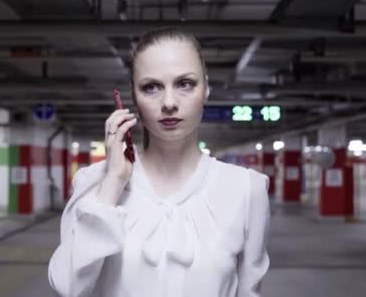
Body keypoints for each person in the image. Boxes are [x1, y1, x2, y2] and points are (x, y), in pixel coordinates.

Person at [48, 28, 271, 297]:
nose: (168, 103)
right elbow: (67, 288)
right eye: (151, 87)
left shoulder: (246, 189)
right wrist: (114, 182)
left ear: (206, 89)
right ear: (134, 97)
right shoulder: (96, 183)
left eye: (185, 84)